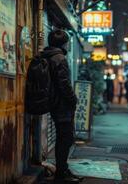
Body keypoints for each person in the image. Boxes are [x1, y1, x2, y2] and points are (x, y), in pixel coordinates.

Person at [41, 29, 81, 182]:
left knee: (62, 138)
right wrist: (73, 99)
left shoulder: (48, 55)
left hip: (53, 103)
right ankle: (62, 173)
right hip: (62, 105)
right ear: (64, 43)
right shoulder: (59, 58)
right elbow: (63, 84)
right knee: (66, 139)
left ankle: (62, 170)